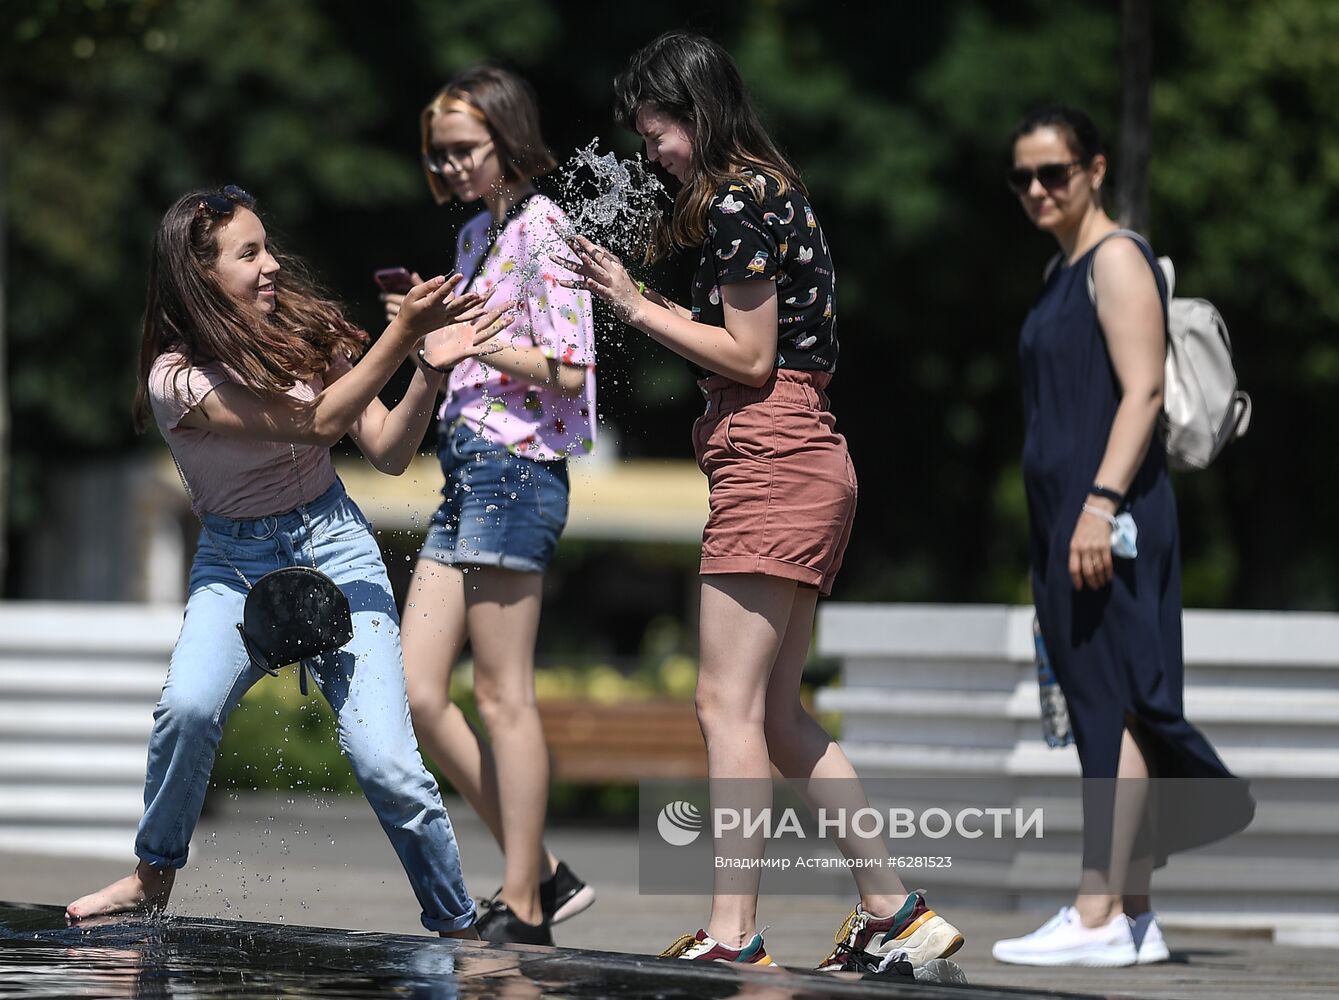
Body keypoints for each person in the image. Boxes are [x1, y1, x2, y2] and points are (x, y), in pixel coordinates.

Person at [556, 32, 964, 971]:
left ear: (692, 112)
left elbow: (746, 356)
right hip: (808, 457)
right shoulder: (777, 192)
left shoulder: (743, 199)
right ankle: (893, 911)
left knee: (724, 705)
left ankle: (733, 934)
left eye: (654, 127)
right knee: (778, 718)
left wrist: (631, 302)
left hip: (771, 456)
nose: (648, 148)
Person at [66, 184, 511, 936]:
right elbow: (316, 423)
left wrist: (430, 371)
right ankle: (152, 876)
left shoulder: (307, 331)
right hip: (235, 566)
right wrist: (399, 333)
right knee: (189, 708)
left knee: (388, 767)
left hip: (334, 544)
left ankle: (456, 924)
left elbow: (389, 451)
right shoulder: (178, 379)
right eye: (250, 254)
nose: (272, 265)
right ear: (200, 275)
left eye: (267, 246)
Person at [993, 105, 1253, 967]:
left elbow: (1141, 392)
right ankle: (1131, 916)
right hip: (1072, 517)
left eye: (1053, 174)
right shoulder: (1061, 268)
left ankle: (1096, 909)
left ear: (1093, 171)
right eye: (1023, 176)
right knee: (1114, 705)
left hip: (1109, 516)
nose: (1036, 189)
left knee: (1120, 705)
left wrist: (1099, 505)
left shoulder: (1115, 259)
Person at [382, 66, 598, 946]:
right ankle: (540, 870)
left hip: (517, 473)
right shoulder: (478, 234)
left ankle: (523, 901)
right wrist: (430, 337)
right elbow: (470, 354)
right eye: (442, 155)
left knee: (504, 695)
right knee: (416, 690)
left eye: (466, 149)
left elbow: (571, 372)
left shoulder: (547, 232)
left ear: (508, 138)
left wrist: (478, 342)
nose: (454, 167)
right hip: (466, 475)